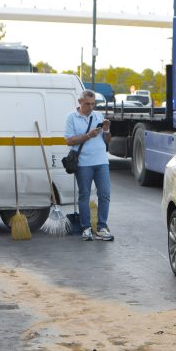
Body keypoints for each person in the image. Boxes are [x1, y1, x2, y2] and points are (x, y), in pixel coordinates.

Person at [65, 89, 113, 241]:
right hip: (84, 163)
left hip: (102, 162)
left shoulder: (98, 116)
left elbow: (107, 141)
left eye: (93, 104)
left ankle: (102, 228)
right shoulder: (71, 117)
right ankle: (86, 228)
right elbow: (69, 141)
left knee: (104, 194)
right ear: (80, 102)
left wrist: (107, 130)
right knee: (84, 195)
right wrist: (88, 136)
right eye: (87, 104)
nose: (91, 107)